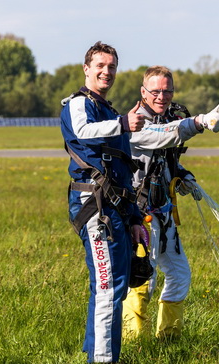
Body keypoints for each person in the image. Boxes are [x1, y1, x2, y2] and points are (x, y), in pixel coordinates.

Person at [123, 65, 219, 339]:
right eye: (155, 91)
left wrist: (184, 177)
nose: (161, 96)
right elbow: (165, 135)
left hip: (165, 215)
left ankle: (169, 339)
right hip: (140, 216)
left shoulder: (165, 119)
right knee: (144, 278)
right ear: (143, 92)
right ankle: (133, 341)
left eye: (167, 91)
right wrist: (198, 122)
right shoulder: (136, 123)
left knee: (180, 275)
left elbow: (167, 158)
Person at [60, 41, 145, 363]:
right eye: (100, 66)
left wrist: (136, 218)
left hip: (118, 208)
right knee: (108, 289)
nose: (106, 72)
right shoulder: (78, 104)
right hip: (94, 207)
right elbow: (82, 131)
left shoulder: (110, 111)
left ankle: (99, 353)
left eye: (111, 67)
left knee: (117, 288)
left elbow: (123, 170)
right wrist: (123, 123)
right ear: (87, 69)